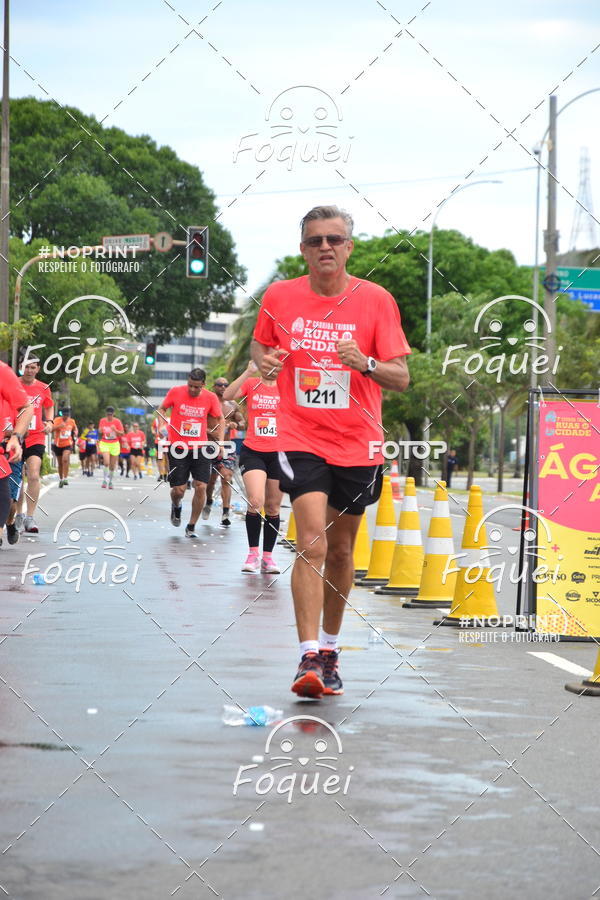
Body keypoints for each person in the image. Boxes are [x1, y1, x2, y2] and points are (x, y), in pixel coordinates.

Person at [252, 204, 410, 698]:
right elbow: (258, 351)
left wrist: (363, 362)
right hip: (300, 437)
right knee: (313, 543)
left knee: (341, 552)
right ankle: (306, 655)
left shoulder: (376, 301)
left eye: (334, 239)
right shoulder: (279, 296)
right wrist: (267, 361)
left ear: (349, 247)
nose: (325, 247)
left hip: (358, 443)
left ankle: (331, 649)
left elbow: (401, 377)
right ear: (303, 249)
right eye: (315, 240)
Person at [223, 360, 283, 574]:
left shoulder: (287, 387)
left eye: (280, 363)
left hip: (279, 453)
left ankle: (268, 558)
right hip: (254, 451)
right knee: (256, 501)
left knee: (274, 507)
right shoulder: (251, 383)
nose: (275, 367)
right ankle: (253, 554)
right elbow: (227, 395)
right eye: (271, 362)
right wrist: (248, 371)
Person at [154, 368, 224, 538]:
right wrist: (162, 423)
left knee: (201, 486)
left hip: (200, 447)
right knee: (179, 489)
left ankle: (191, 526)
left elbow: (220, 419)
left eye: (196, 387)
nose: (192, 390)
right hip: (177, 446)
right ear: (187, 381)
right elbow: (161, 409)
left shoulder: (211, 397)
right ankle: (176, 506)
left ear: (203, 385)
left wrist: (220, 443)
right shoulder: (176, 392)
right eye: (190, 386)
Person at [14, 360, 54, 533]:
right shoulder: (13, 383)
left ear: (38, 369)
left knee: (34, 475)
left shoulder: (44, 388)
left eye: (33, 367)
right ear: (21, 367)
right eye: (26, 367)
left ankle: (30, 517)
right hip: (15, 436)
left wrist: (50, 421)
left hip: (36, 436)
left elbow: (49, 406)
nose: (29, 370)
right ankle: (18, 515)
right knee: (17, 479)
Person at [203, 377, 245, 527]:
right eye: (219, 384)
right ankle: (208, 500)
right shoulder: (207, 402)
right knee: (210, 479)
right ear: (213, 386)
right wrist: (210, 431)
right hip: (208, 445)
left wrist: (236, 424)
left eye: (226, 385)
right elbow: (198, 422)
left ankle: (225, 512)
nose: (223, 387)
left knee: (226, 477)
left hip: (227, 445)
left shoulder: (233, 405)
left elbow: (243, 423)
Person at [0, 362, 33, 539]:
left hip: (9, 455)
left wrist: (14, 436)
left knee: (10, 502)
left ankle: (10, 522)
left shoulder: (3, 373)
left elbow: (28, 410)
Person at [97, 406, 124, 489]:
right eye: (108, 414)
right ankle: (104, 480)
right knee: (106, 462)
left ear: (113, 414)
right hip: (105, 442)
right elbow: (99, 430)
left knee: (112, 466)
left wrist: (115, 430)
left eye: (111, 414)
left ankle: (111, 482)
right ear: (106, 414)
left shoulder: (117, 422)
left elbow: (122, 433)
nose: (109, 416)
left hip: (115, 444)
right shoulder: (102, 420)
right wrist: (100, 430)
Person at [52, 408, 78, 487]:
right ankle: (61, 479)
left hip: (68, 443)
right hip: (58, 444)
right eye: (64, 415)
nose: (65, 417)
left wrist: (76, 432)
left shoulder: (72, 421)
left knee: (65, 459)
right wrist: (59, 426)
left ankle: (66, 478)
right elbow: (51, 429)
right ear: (62, 414)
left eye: (67, 415)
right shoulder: (57, 420)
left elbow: (75, 428)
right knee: (60, 463)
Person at [152, 414, 169, 482]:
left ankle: (167, 474)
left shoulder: (169, 420)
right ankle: (161, 474)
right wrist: (153, 432)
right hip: (159, 441)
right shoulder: (156, 420)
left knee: (167, 459)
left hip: (168, 441)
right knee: (160, 458)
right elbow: (153, 427)